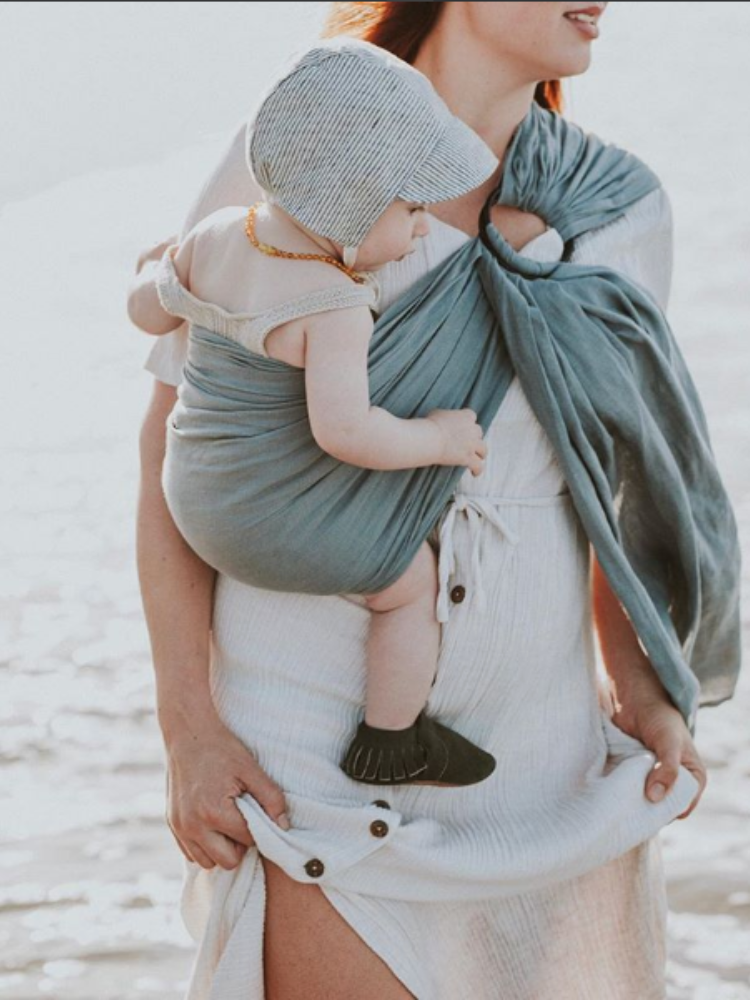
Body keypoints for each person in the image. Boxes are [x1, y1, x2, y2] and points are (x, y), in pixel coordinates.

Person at [128, 4, 717, 998]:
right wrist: (188, 728)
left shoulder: (618, 210)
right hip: (316, 784)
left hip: (548, 783)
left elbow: (611, 478)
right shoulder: (308, 144)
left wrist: (643, 687)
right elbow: (174, 449)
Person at [144, 38, 502, 788]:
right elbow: (346, 432)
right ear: (353, 203)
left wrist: (153, 272)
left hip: (192, 500)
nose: (415, 232)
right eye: (408, 210)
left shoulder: (215, 236)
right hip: (266, 530)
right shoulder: (335, 305)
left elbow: (148, 312)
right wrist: (439, 438)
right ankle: (391, 739)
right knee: (409, 586)